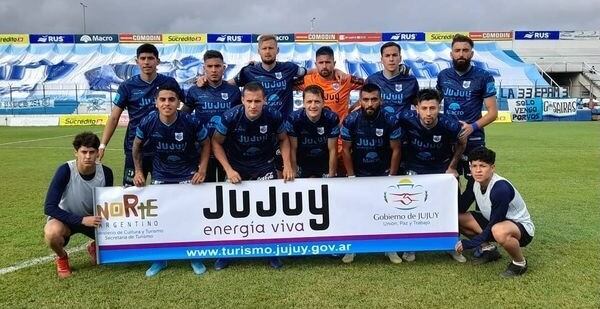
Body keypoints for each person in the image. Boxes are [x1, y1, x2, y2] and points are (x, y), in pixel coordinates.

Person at [212, 81, 293, 270]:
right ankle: (227, 253)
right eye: (249, 101)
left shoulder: (273, 115)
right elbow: (216, 143)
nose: (253, 105)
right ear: (242, 100)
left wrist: (287, 165)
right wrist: (228, 170)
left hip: (264, 166)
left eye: (258, 101)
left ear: (264, 100)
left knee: (269, 211)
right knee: (231, 213)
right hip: (237, 168)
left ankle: (271, 252)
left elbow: (283, 139)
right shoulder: (231, 116)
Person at [133, 85, 211, 277]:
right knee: (161, 218)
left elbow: (206, 143)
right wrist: (138, 171)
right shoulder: (148, 122)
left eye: (171, 99)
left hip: (187, 175)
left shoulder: (190, 121)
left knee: (189, 217)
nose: (167, 103)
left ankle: (194, 256)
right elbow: (136, 147)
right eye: (163, 100)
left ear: (178, 102)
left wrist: (202, 169)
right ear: (156, 102)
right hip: (161, 175)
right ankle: (160, 258)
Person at [396, 88, 467, 263]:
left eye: (433, 108)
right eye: (425, 108)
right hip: (414, 169)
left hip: (440, 169)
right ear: (417, 108)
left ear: (439, 107)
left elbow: (462, 141)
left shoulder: (449, 124)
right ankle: (410, 247)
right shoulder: (406, 118)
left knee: (450, 208)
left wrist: (452, 166)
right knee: (411, 208)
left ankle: (452, 246)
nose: (428, 113)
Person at [98, 43, 184, 185]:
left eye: (150, 58)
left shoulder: (169, 82)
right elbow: (114, 117)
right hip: (135, 147)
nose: (146, 62)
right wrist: (102, 145)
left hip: (163, 147)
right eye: (142, 58)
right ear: (137, 61)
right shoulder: (127, 86)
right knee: (132, 190)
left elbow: (187, 104)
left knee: (166, 192)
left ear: (158, 61)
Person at [340, 83, 402, 264]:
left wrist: (391, 176)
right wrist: (351, 176)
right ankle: (352, 248)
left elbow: (396, 150)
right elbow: (345, 150)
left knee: (386, 212)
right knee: (355, 211)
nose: (369, 104)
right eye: (365, 100)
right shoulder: (351, 120)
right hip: (359, 173)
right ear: (359, 100)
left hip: (382, 173)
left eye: (373, 99)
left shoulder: (390, 119)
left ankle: (389, 248)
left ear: (380, 100)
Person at [436, 34, 498, 215]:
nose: (461, 54)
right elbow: (434, 103)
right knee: (448, 179)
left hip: (474, 139)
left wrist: (472, 127)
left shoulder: (484, 77)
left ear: (472, 53)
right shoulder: (443, 76)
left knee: (478, 182)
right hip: (448, 139)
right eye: (457, 51)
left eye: (465, 50)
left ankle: (482, 225)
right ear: (451, 53)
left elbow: (493, 112)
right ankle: (450, 221)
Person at [455, 147, 534, 277]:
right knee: (457, 218)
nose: (478, 170)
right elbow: (461, 207)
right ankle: (489, 250)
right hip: (495, 222)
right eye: (474, 166)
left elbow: (494, 223)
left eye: (483, 166)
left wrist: (470, 243)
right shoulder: (474, 182)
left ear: (492, 168)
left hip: (521, 229)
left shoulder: (500, 188)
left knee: (499, 230)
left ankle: (520, 264)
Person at [43, 132, 114, 278]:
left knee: (121, 235)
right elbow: (49, 207)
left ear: (97, 153)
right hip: (66, 220)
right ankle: (62, 258)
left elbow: (106, 204)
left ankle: (95, 246)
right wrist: (81, 220)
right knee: (52, 233)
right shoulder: (65, 171)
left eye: (92, 152)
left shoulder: (106, 173)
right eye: (83, 152)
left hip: (93, 220)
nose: (88, 156)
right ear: (76, 152)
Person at [296, 46, 363, 176]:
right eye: (321, 63)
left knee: (344, 178)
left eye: (328, 62)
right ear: (316, 64)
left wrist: (353, 108)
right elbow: (285, 83)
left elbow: (372, 85)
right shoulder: (307, 80)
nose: (324, 66)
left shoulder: (345, 80)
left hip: (340, 139)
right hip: (317, 140)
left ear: (334, 63)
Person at [183, 50, 242, 182]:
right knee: (204, 188)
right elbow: (183, 117)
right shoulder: (195, 90)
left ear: (224, 68)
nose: (214, 70)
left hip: (228, 151)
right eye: (210, 66)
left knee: (229, 188)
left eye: (217, 66)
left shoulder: (233, 91)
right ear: (204, 68)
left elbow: (240, 118)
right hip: (203, 151)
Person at [286, 85, 340, 178]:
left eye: (317, 101)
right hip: (302, 162)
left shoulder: (332, 118)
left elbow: (333, 150)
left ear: (323, 103)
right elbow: (292, 149)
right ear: (303, 103)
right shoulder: (293, 119)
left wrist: (332, 176)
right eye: (309, 102)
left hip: (323, 162)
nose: (313, 106)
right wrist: (294, 173)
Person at [366, 42, 419, 115]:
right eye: (387, 56)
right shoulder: (372, 80)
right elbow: (363, 103)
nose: (391, 59)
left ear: (400, 58)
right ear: (382, 59)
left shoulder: (411, 81)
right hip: (379, 125)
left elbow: (419, 105)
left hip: (403, 125)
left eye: (394, 55)